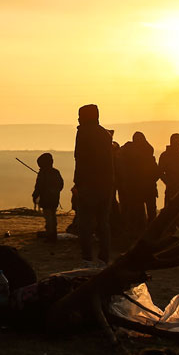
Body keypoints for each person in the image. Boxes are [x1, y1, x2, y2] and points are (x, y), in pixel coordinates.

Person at [73, 104, 114, 266]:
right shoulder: (105, 134)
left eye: (80, 115)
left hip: (88, 184)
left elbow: (80, 160)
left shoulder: (83, 132)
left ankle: (87, 256)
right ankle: (104, 255)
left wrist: (78, 183)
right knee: (103, 222)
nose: (78, 119)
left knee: (86, 222)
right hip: (106, 184)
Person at [114, 131, 160, 246]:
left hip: (139, 189)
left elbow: (155, 172)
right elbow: (155, 172)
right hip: (139, 189)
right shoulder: (143, 153)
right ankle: (148, 234)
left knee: (141, 212)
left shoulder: (133, 153)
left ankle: (143, 234)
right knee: (142, 213)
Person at [32, 152, 64, 242]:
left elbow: (38, 186)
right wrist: (55, 191)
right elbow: (61, 185)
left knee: (48, 218)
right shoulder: (56, 172)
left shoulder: (42, 173)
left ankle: (50, 236)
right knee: (52, 217)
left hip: (46, 200)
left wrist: (35, 195)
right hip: (54, 199)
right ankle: (53, 234)